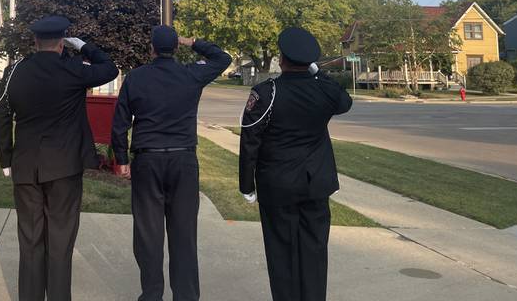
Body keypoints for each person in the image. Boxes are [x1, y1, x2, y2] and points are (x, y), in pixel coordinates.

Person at [0, 15, 119, 301]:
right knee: (60, 241)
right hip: (64, 167)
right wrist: (85, 47)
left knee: (30, 240)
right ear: (62, 43)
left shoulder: (14, 71)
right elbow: (110, 68)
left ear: (35, 42)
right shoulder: (74, 69)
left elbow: (0, 113)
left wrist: (5, 158)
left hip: (25, 165)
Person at [112, 25, 232, 301]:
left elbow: (120, 122)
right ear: (175, 48)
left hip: (147, 160)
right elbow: (222, 59)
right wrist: (191, 41)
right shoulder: (191, 74)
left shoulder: (136, 78)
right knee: (184, 234)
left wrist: (121, 159)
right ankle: (186, 296)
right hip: (183, 160)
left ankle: (152, 294)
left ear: (151, 49)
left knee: (148, 233)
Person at [239, 26, 353, 301]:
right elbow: (344, 100)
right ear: (309, 62)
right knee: (314, 253)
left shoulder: (267, 93)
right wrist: (317, 72)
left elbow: (250, 140)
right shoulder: (323, 92)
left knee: (281, 255)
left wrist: (247, 185)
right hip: (315, 184)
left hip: (277, 186)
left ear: (282, 58)